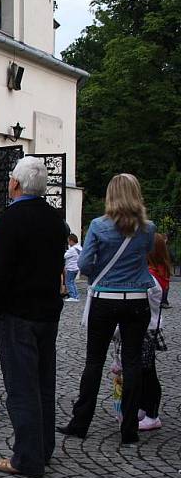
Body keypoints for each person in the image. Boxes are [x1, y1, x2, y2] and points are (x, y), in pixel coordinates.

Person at [0, 157, 68, 477]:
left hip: (16, 313)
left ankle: (27, 457)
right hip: (47, 310)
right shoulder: (54, 219)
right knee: (43, 382)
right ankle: (43, 448)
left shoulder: (11, 219)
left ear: (15, 184)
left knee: (21, 387)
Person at [58, 173, 155, 447]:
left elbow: (85, 265)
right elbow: (144, 256)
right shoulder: (148, 228)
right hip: (136, 299)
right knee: (133, 362)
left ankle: (80, 423)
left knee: (94, 362)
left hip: (106, 297)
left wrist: (102, 271)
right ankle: (129, 428)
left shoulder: (99, 226)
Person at [139, 233, 169, 431]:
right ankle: (145, 407)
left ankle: (152, 412)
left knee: (147, 372)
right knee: (145, 370)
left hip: (146, 328)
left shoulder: (151, 277)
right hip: (149, 326)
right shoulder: (158, 273)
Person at [64, 233, 82, 302]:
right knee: (72, 282)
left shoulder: (72, 249)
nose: (68, 243)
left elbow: (65, 256)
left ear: (71, 241)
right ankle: (76, 296)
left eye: (68, 241)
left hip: (71, 268)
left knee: (68, 282)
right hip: (76, 268)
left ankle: (73, 296)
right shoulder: (79, 247)